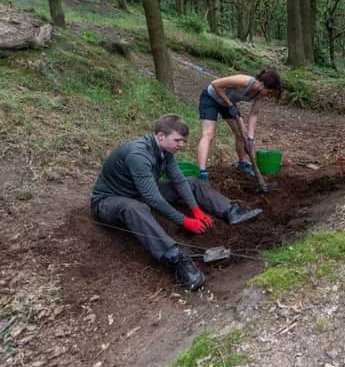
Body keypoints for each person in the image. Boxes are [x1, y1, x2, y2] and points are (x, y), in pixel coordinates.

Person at [91, 114, 263, 291]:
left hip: (138, 194)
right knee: (135, 208)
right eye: (178, 140)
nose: (182, 145)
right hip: (108, 202)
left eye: (184, 141)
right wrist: (185, 221)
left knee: (191, 182)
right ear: (160, 136)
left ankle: (231, 211)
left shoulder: (165, 151)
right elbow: (153, 199)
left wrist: (196, 209)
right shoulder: (138, 155)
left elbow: (179, 181)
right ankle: (176, 259)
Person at [197, 69, 282, 181]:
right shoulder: (244, 81)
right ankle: (202, 173)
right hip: (210, 98)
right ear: (262, 84)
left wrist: (251, 138)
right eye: (269, 91)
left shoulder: (260, 94)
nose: (269, 95)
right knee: (208, 134)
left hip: (228, 104)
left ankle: (242, 164)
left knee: (241, 134)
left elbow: (254, 114)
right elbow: (215, 84)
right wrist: (230, 104)